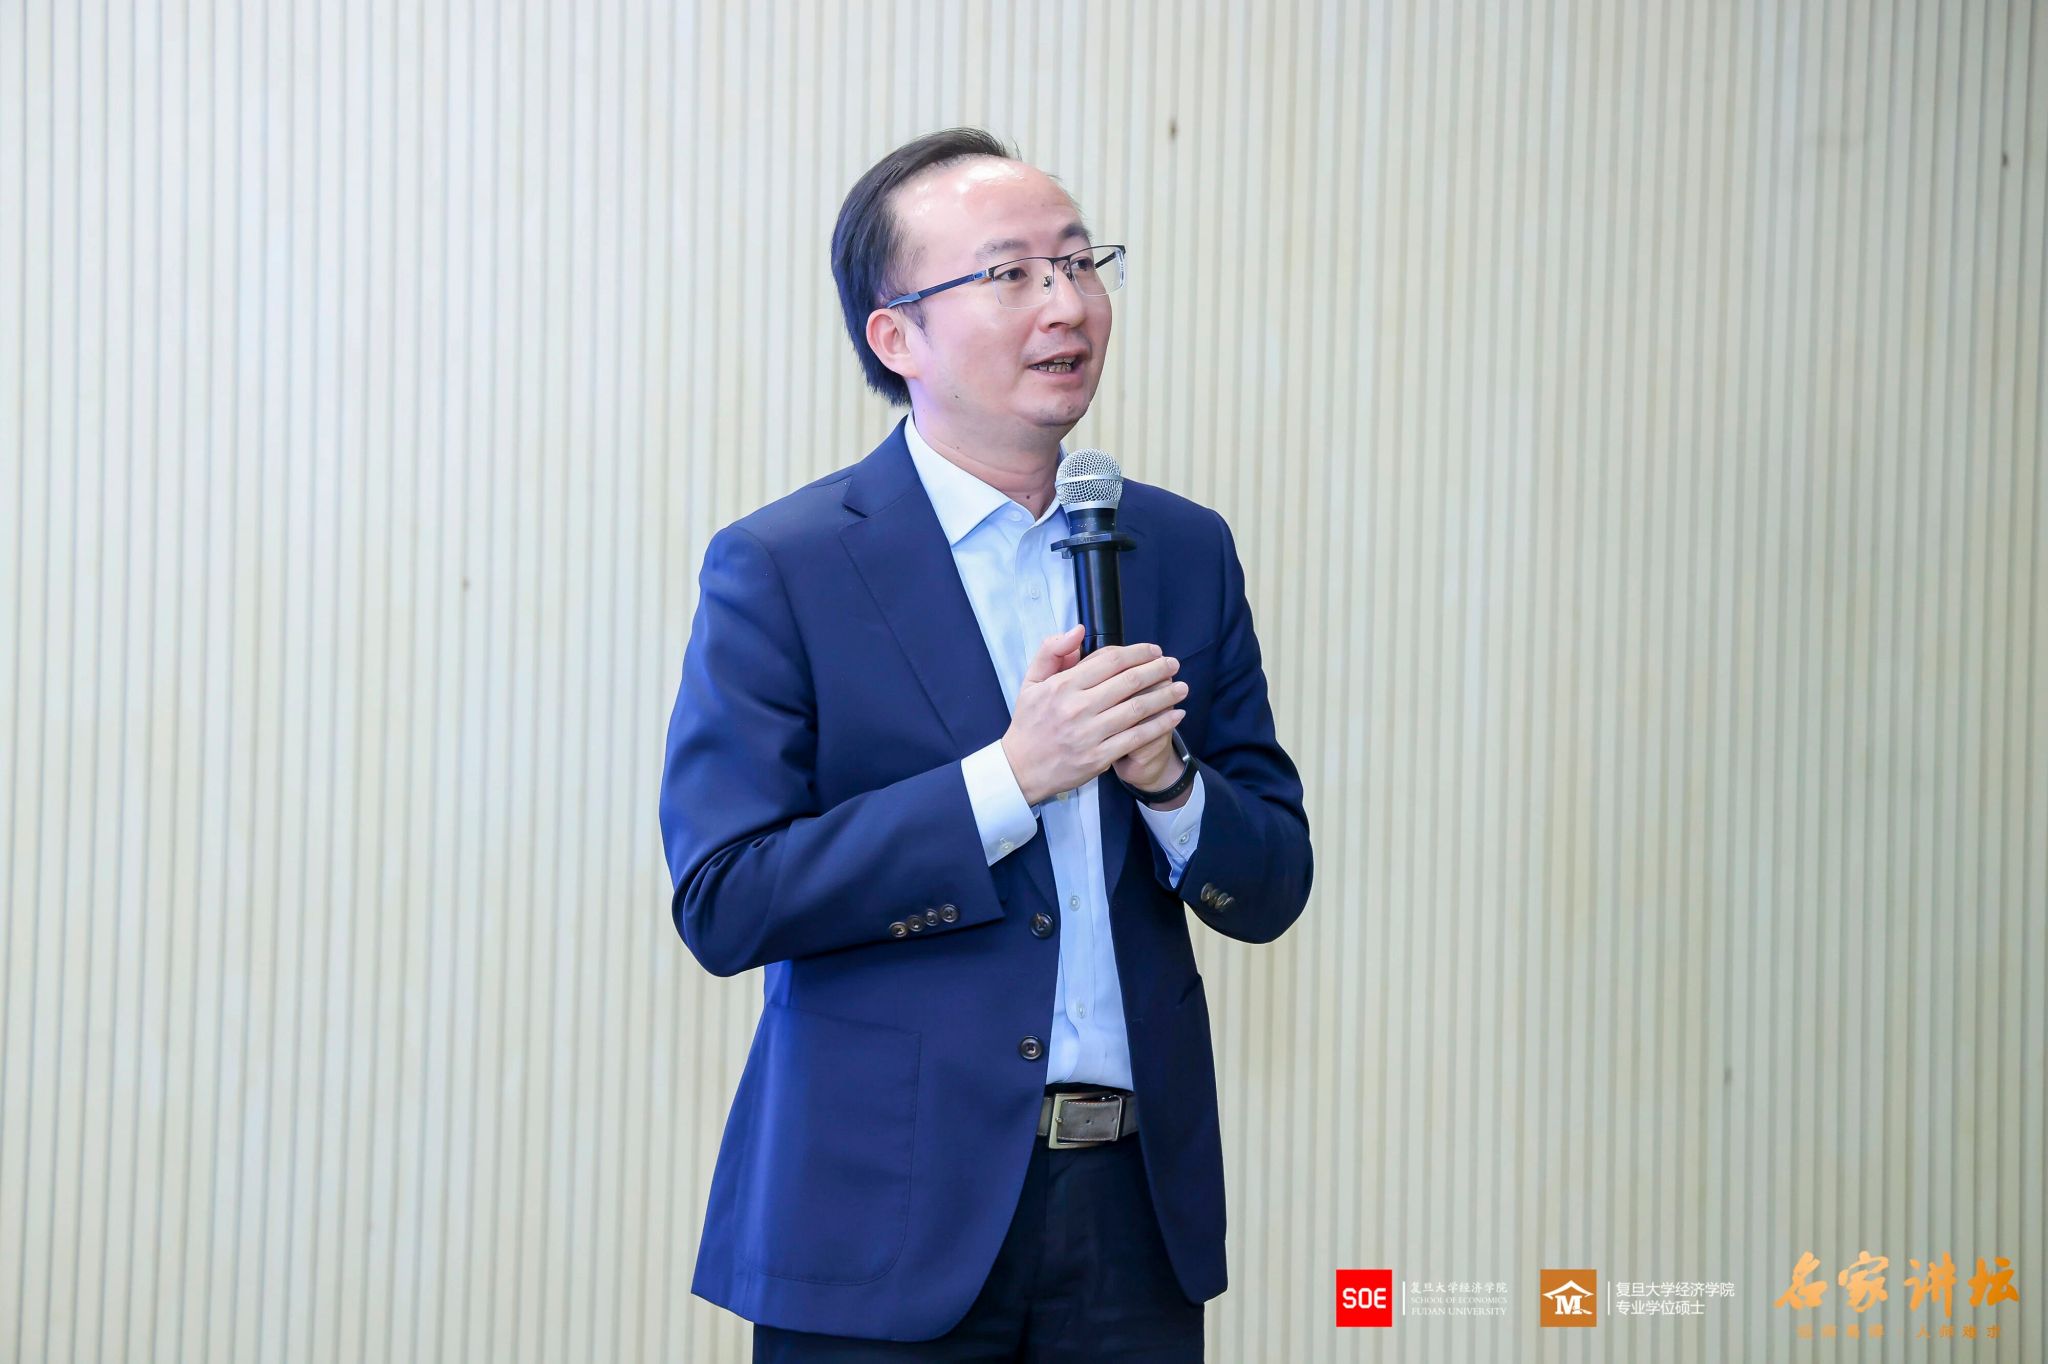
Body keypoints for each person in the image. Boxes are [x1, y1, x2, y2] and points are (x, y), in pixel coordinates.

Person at [659, 127, 1313, 1361]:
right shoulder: (785, 566)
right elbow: (725, 896)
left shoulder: (1178, 549)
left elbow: (1271, 880)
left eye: (1079, 262)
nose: (1065, 303)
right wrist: (1008, 778)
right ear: (895, 335)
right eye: (1010, 273)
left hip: (1132, 1221)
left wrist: (1168, 784)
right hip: (878, 1220)